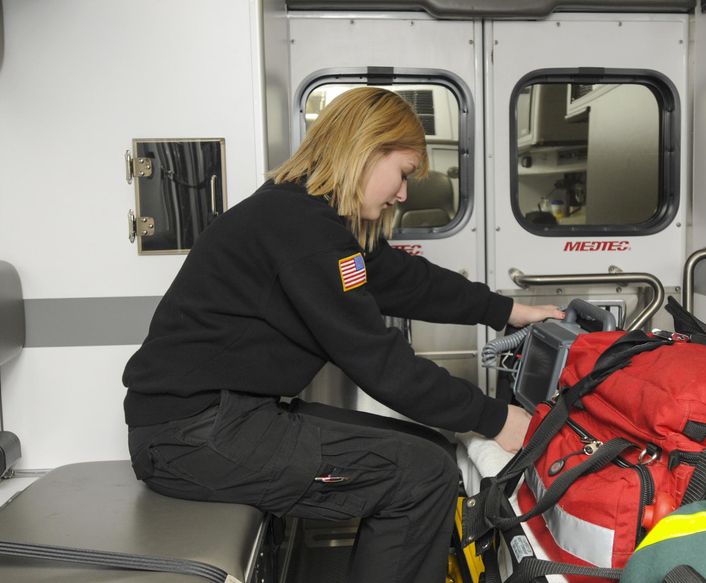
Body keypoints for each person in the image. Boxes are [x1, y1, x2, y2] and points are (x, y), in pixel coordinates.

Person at [123, 87, 562, 583]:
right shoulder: (302, 230)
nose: (402, 193)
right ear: (367, 148)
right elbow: (379, 362)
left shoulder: (307, 218)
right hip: (195, 436)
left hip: (218, 421)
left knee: (433, 452)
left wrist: (507, 310)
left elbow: (403, 279)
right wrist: (497, 418)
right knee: (422, 475)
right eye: (403, 174)